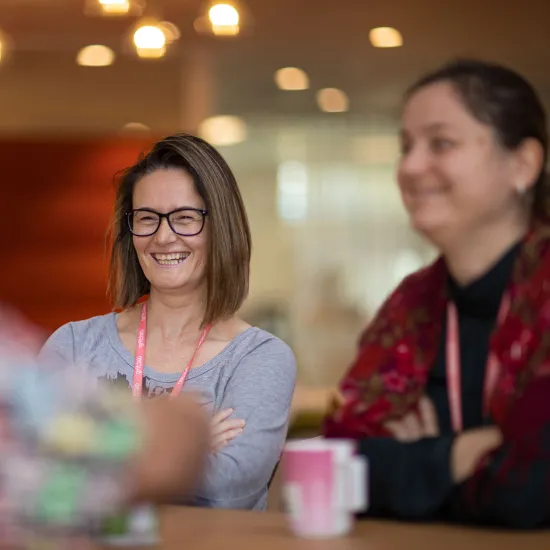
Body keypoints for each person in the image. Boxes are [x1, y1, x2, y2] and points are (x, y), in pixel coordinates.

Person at [323, 59, 550, 528]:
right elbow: (337, 468)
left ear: (523, 164)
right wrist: (455, 457)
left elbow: (530, 494)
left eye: (440, 143)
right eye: (405, 147)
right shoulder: (411, 306)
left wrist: (412, 466)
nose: (409, 167)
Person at [39, 134, 297, 510]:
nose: (163, 236)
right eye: (146, 218)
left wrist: (93, 448)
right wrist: (185, 444)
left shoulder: (260, 358)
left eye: (185, 218)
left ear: (221, 228)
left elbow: (232, 487)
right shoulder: (75, 345)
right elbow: (31, 471)